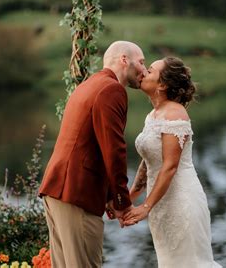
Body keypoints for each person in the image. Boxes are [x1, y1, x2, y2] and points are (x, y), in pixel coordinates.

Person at [38, 41, 147, 268]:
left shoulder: (90, 84)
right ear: (124, 60)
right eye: (141, 62)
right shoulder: (112, 89)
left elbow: (92, 146)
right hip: (77, 194)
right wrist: (121, 201)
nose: (144, 70)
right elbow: (114, 150)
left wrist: (108, 196)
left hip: (59, 191)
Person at [123, 56, 222, 267]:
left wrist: (146, 206)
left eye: (149, 71)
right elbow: (149, 160)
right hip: (161, 204)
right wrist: (131, 196)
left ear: (163, 84)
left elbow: (170, 166)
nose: (143, 73)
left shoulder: (175, 114)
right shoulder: (153, 115)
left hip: (181, 202)